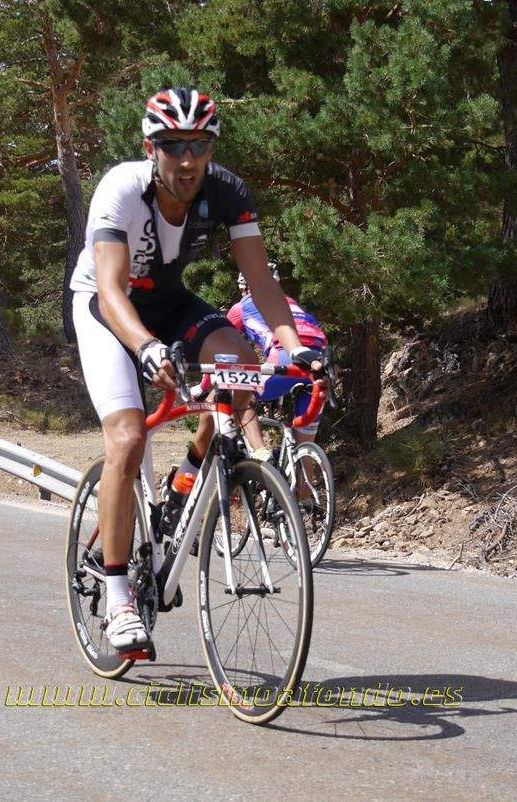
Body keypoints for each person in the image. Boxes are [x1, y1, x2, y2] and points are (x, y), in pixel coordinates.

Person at [68, 88, 323, 655]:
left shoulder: (226, 191)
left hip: (169, 299)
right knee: (129, 437)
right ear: (150, 148)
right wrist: (146, 349)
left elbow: (261, 283)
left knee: (239, 361)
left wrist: (292, 347)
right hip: (107, 308)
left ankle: (187, 482)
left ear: (210, 148)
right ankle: (117, 597)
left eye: (198, 146)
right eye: (173, 146)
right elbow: (111, 291)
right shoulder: (121, 190)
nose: (187, 161)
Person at [227, 262, 329, 447]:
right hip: (319, 364)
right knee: (304, 446)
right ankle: (305, 472)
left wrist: (202, 387)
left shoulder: (242, 306)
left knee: (238, 394)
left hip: (285, 358)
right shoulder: (291, 303)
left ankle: (260, 454)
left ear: (243, 287)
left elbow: (222, 346)